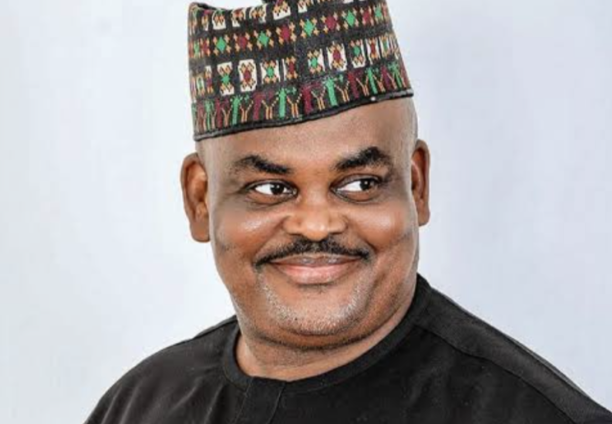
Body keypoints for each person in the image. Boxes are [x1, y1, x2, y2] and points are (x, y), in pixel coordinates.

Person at [84, 0, 612, 422]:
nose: (316, 224)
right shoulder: (141, 404)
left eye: (360, 184)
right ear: (200, 200)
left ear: (416, 186)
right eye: (271, 188)